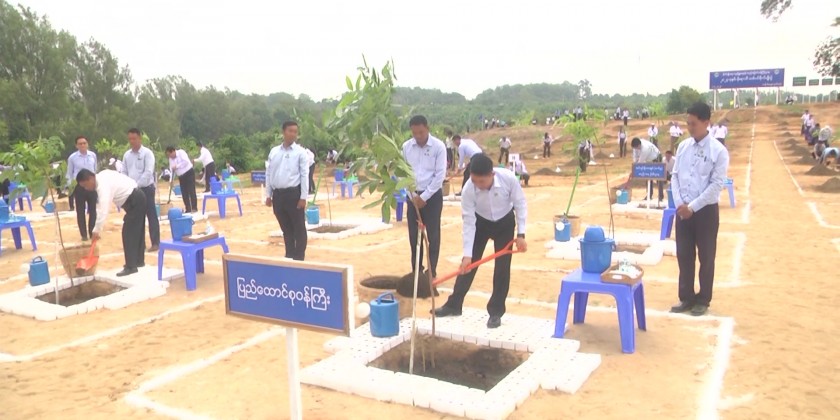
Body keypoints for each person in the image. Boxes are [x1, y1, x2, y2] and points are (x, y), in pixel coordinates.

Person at [433, 153, 527, 328]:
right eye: (474, 181)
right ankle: (454, 305)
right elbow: (469, 222)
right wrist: (467, 255)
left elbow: (520, 204)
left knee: (502, 268)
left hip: (505, 223)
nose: (478, 185)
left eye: (482, 181)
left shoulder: (508, 179)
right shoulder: (469, 189)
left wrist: (521, 235)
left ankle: (496, 311)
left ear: (492, 174)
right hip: (480, 224)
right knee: (467, 266)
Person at [669, 102, 730, 317]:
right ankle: (686, 297)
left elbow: (716, 186)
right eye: (688, 123)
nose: (690, 128)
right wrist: (679, 203)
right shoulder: (683, 147)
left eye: (694, 124)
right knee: (684, 255)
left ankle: (703, 299)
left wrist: (692, 207)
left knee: (706, 257)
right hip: (683, 210)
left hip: (705, 212)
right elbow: (675, 176)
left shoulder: (718, 151)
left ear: (706, 123)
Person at [76, 169, 145, 277]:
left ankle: (131, 266)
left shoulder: (102, 186)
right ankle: (138, 261)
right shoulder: (103, 175)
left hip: (135, 200)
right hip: (138, 197)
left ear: (90, 178)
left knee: (128, 233)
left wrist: (96, 230)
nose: (86, 189)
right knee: (137, 231)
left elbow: (103, 210)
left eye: (85, 185)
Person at [402, 115, 446, 279]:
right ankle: (417, 271)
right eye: (414, 133)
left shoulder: (438, 147)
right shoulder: (406, 147)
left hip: (432, 197)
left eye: (421, 132)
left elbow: (440, 175)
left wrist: (425, 197)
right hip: (413, 196)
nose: (418, 136)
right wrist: (413, 196)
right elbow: (402, 174)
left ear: (427, 128)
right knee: (414, 236)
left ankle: (431, 270)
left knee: (433, 235)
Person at [265, 121, 309, 261]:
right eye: (290, 131)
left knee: (299, 228)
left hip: (294, 195)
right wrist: (268, 195)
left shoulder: (300, 152)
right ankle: (289, 255)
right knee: (286, 229)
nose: (293, 134)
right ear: (283, 132)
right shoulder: (274, 152)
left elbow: (304, 175)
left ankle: (299, 257)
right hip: (278, 195)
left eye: (295, 131)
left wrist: (303, 197)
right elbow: (269, 173)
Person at [122, 128, 160, 252]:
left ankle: (155, 242)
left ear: (140, 138)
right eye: (130, 139)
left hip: (146, 189)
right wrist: (128, 186)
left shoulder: (147, 153)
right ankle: (140, 245)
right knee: (137, 218)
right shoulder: (127, 155)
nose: (132, 141)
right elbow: (124, 172)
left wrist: (136, 185)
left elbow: (148, 172)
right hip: (132, 191)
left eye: (134, 138)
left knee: (151, 215)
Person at [65, 136, 98, 241]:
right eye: (80, 143)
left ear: (87, 144)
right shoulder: (72, 158)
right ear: (76, 145)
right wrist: (71, 186)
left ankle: (92, 232)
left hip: (92, 186)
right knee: (80, 211)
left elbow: (95, 170)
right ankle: (83, 234)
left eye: (84, 143)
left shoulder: (92, 155)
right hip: (79, 187)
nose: (83, 145)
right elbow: (69, 173)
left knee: (93, 210)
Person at [166, 146, 197, 213]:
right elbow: (172, 170)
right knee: (184, 192)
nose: (169, 156)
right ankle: (188, 209)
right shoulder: (170, 159)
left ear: (173, 151)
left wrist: (177, 166)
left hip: (189, 173)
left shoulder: (181, 152)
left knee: (191, 190)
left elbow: (186, 162)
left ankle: (194, 208)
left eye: (170, 154)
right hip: (181, 177)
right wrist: (171, 180)